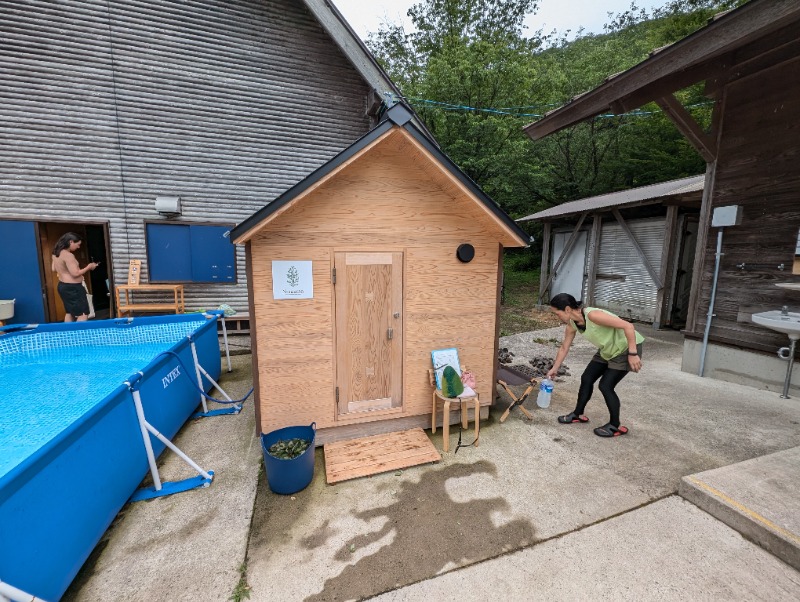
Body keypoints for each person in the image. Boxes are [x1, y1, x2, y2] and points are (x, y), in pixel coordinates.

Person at [546, 293, 644, 438]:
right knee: (587, 378)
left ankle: (615, 425)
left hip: (625, 348)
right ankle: (577, 414)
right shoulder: (572, 324)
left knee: (606, 386)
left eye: (557, 313)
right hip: (607, 349)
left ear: (567, 309)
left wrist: (633, 353)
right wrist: (554, 369)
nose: (556, 316)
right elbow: (564, 348)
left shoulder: (593, 315)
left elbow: (628, 326)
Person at [51, 232, 99, 322]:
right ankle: (78, 335)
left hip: (62, 286)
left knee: (69, 312)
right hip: (73, 288)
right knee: (83, 314)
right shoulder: (68, 255)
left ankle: (68, 334)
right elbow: (75, 273)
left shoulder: (55, 253)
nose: (79, 247)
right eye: (78, 244)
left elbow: (54, 269)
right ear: (71, 242)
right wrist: (89, 267)